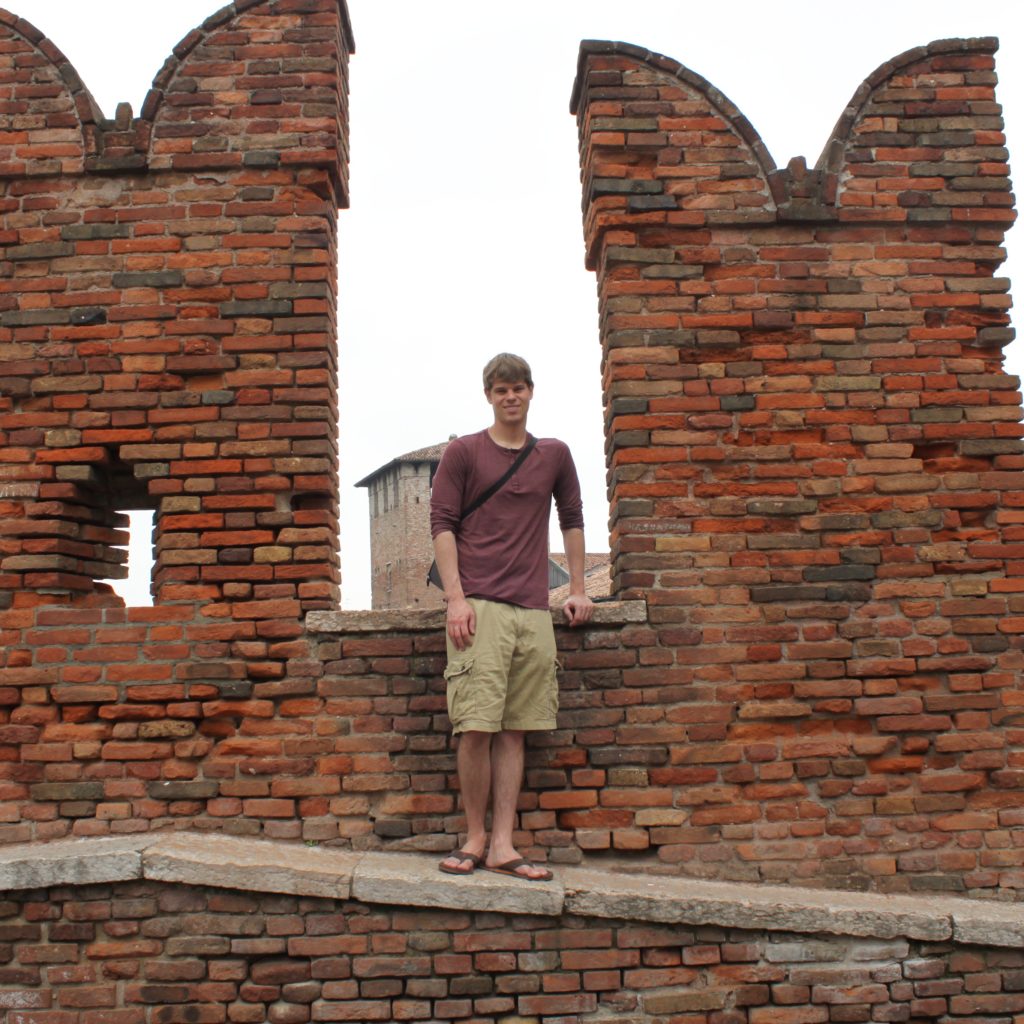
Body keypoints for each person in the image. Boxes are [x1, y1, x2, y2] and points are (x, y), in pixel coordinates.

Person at [430, 353, 594, 881]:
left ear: (530, 392)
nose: (511, 397)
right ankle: (474, 837)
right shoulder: (464, 453)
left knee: (517, 730)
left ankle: (503, 843)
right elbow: (442, 524)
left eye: (519, 388)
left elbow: (572, 518)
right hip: (479, 606)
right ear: (489, 395)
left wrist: (577, 587)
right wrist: (456, 599)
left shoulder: (554, 455)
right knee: (475, 726)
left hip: (532, 610)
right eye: (501, 389)